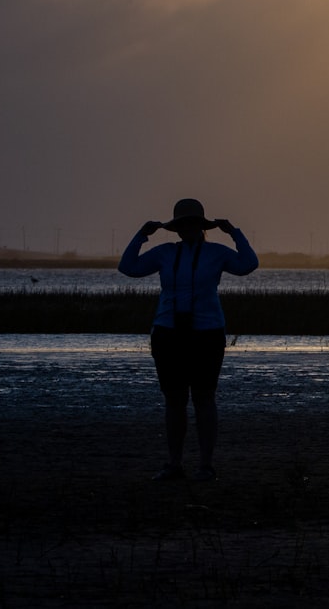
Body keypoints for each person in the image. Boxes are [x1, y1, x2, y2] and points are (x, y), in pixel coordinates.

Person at [118, 198, 259, 481]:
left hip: (207, 332)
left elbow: (248, 264)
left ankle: (206, 465)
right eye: (183, 224)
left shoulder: (217, 253)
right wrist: (141, 235)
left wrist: (234, 232)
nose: (188, 228)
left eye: (193, 223)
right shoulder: (165, 253)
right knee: (175, 400)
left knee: (205, 398)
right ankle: (174, 464)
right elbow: (128, 267)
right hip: (168, 332)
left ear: (201, 226)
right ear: (177, 228)